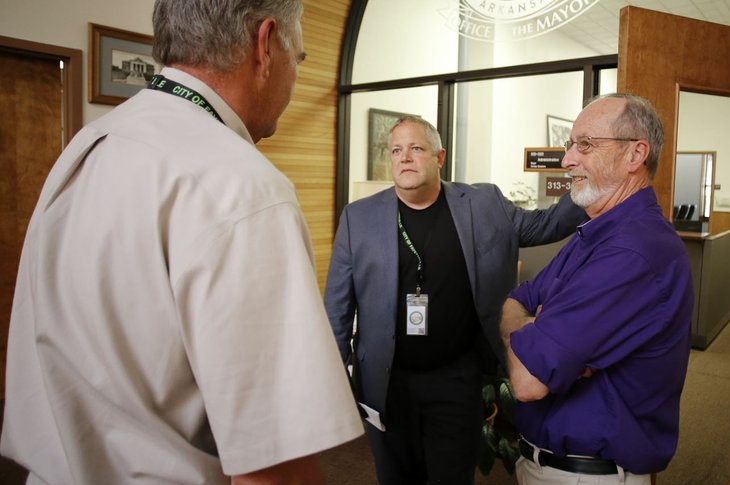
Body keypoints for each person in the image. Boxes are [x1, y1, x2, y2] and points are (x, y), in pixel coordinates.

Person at [0, 0, 363, 483]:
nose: (294, 80)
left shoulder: (87, 146)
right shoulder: (243, 185)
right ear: (265, 45)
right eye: (297, 59)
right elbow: (276, 470)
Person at [323, 115, 586, 484]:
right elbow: (336, 309)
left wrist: (588, 177)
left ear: (439, 157)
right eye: (396, 150)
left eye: (416, 148)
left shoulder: (482, 204)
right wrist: (332, 387)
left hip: (455, 379)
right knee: (396, 477)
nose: (405, 158)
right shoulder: (358, 218)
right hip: (385, 381)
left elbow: (546, 225)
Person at [501, 93, 693, 484]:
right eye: (570, 145)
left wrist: (536, 329)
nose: (568, 160)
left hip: (587, 475)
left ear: (635, 155)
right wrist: (533, 329)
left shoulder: (635, 251)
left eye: (585, 144)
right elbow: (516, 299)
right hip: (545, 463)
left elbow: (527, 380)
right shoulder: (597, 232)